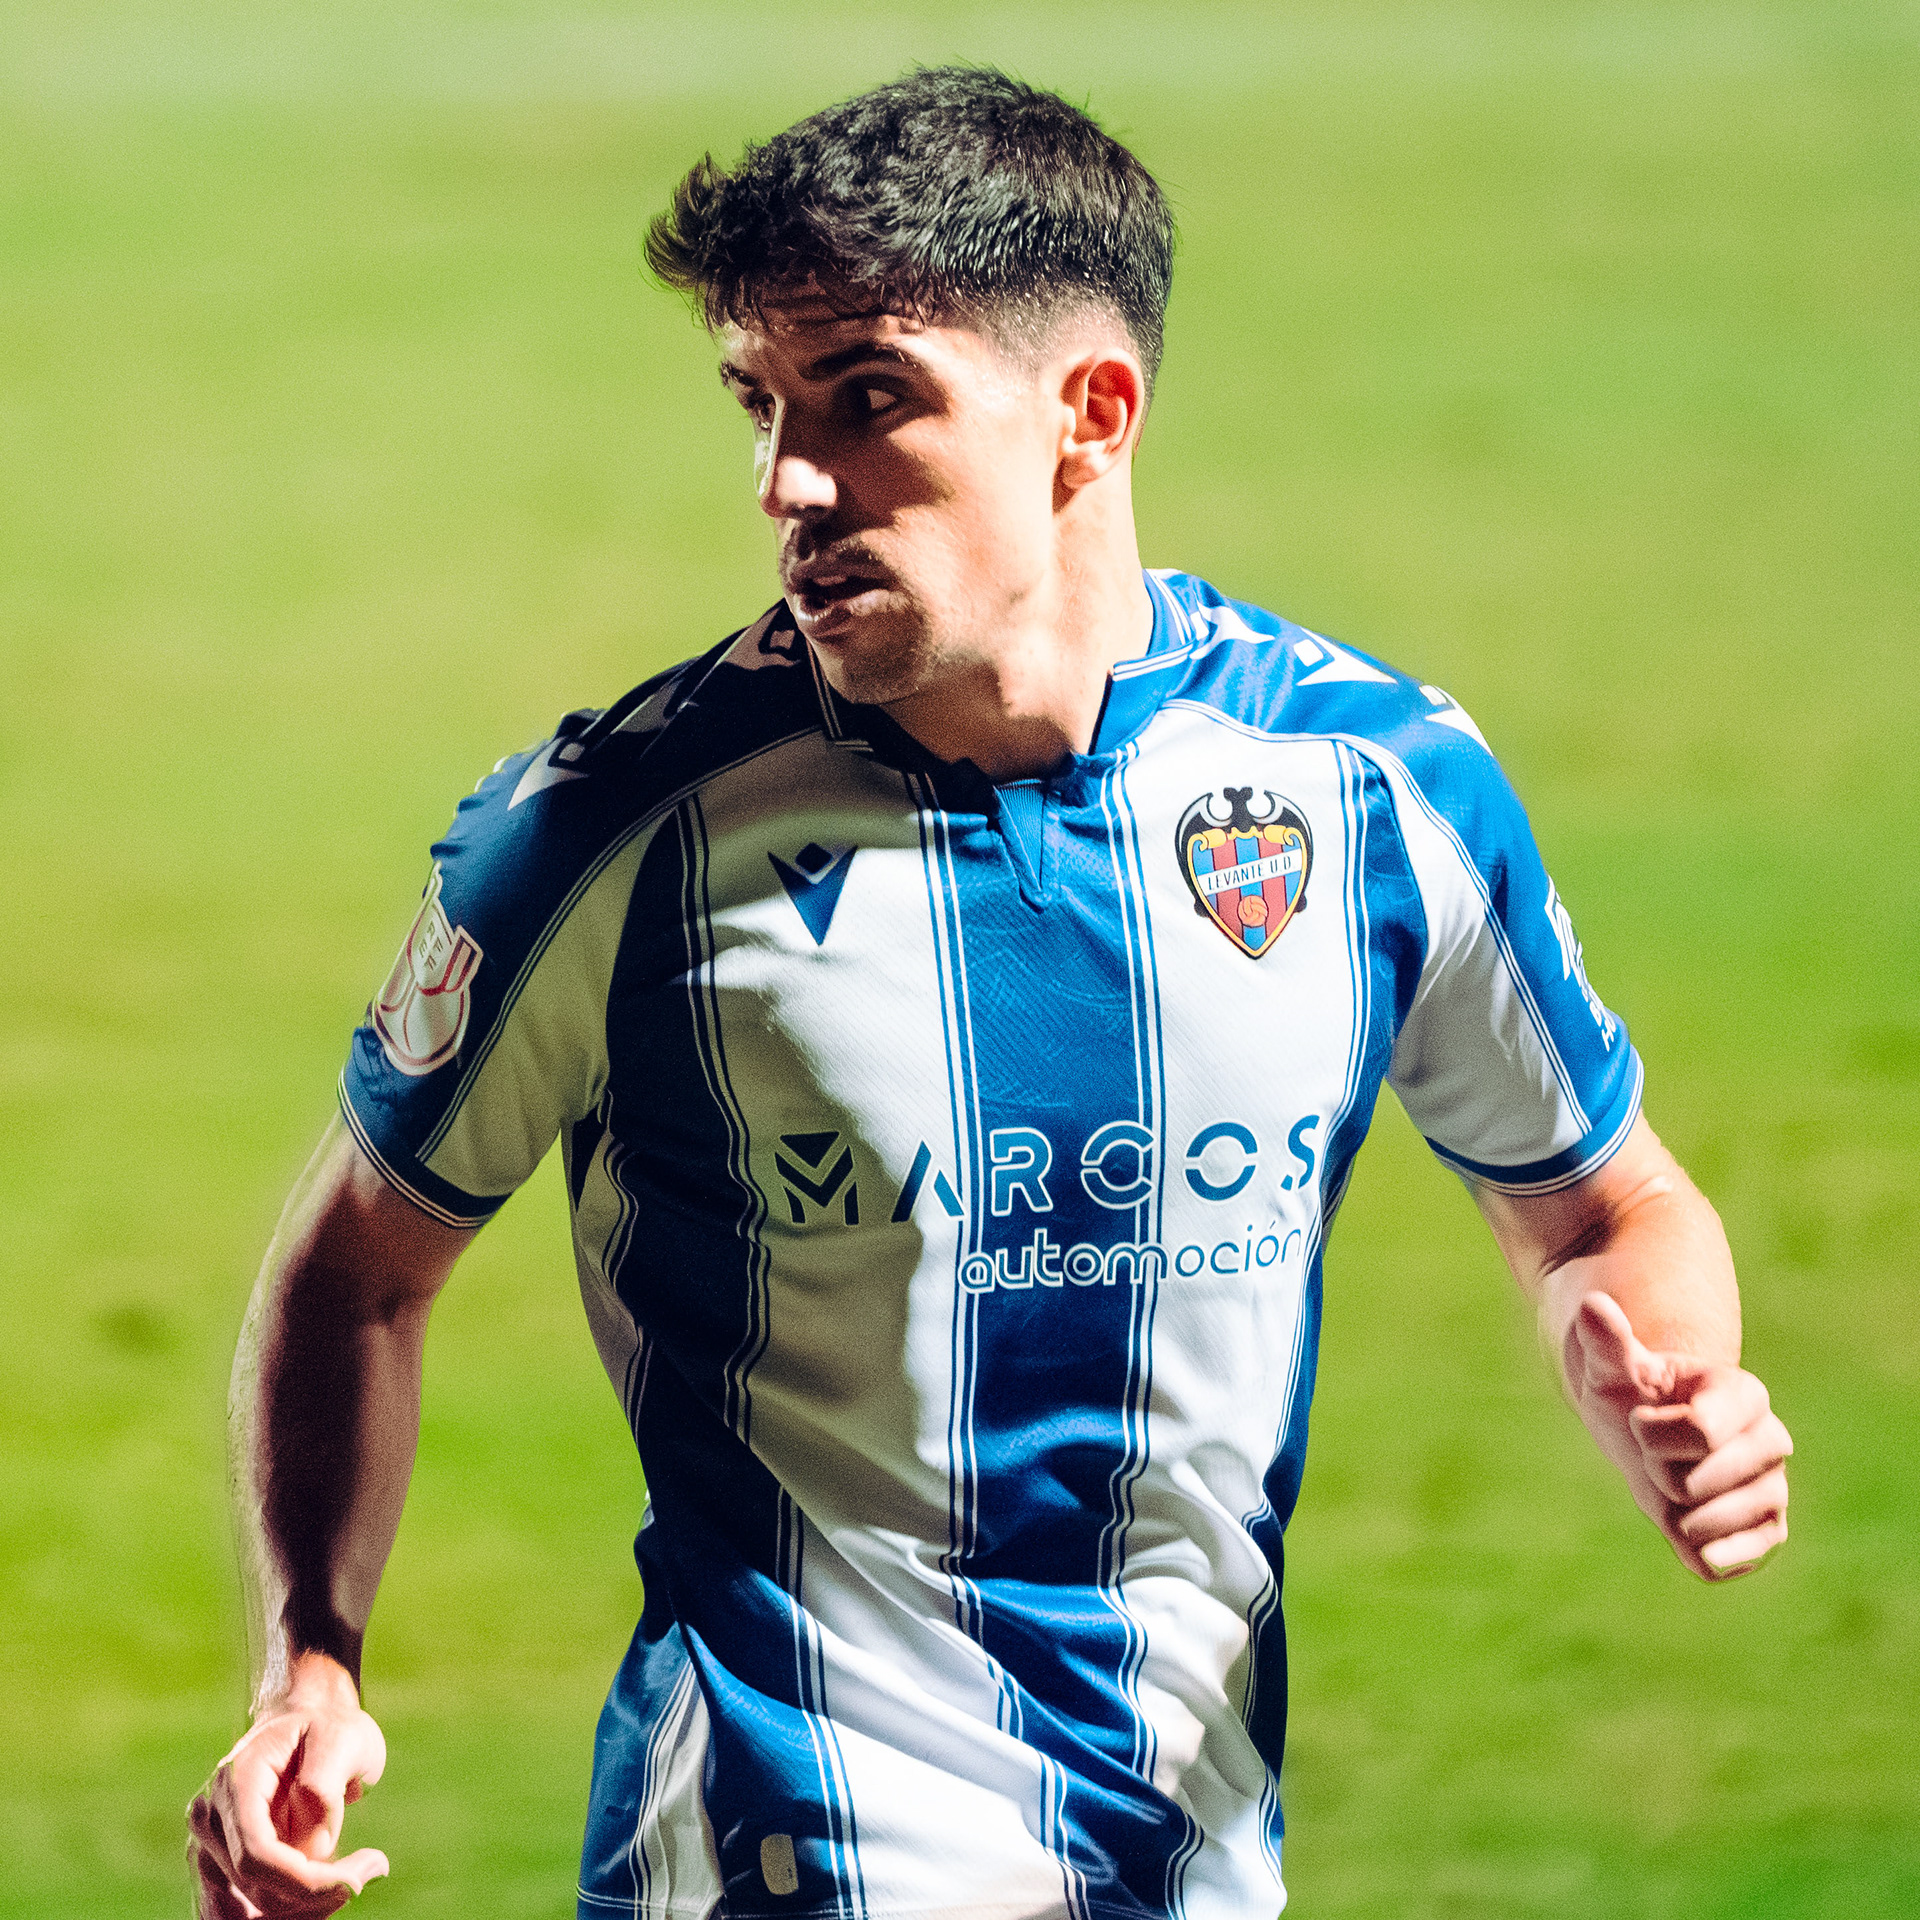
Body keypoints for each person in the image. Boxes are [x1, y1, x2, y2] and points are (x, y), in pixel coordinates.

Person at [188, 66, 1792, 1920]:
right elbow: (360, 1270)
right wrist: (310, 1663)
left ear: (1089, 416)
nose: (789, 484)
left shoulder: (1366, 791)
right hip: (776, 1857)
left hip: (1191, 1859)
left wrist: (1676, 1380)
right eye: (764, 404)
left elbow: (1601, 1204)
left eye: (868, 399)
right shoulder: (613, 834)